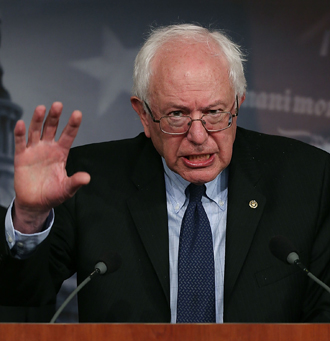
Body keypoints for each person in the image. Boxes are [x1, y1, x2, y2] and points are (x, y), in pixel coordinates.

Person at [1, 24, 330, 323]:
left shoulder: (308, 179)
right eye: (177, 115)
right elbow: (22, 294)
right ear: (144, 115)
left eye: (214, 113)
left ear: (238, 104)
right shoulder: (88, 180)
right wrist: (29, 218)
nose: (198, 136)